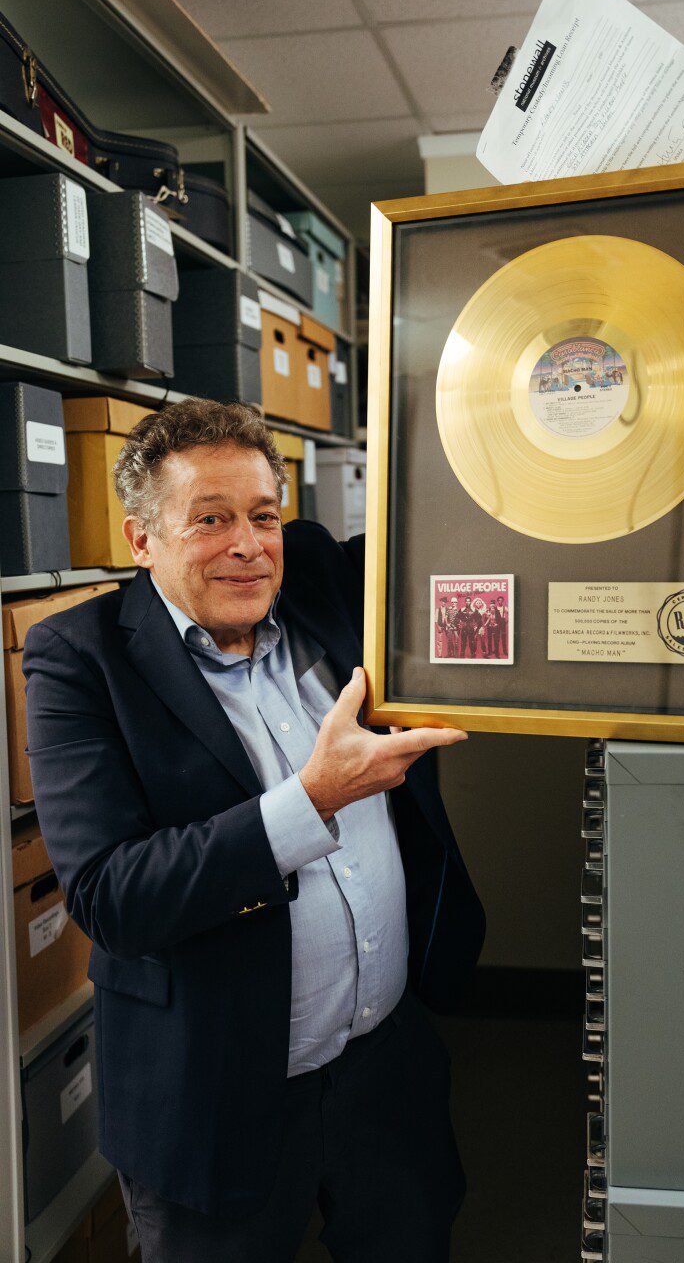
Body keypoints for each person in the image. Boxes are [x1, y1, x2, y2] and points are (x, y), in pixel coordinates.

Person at [23, 399, 485, 1263]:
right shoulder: (77, 661)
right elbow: (111, 895)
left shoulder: (307, 573)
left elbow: (439, 530)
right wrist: (311, 800)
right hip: (215, 1093)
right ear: (141, 539)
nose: (247, 543)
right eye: (210, 520)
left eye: (262, 515)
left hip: (385, 1070)